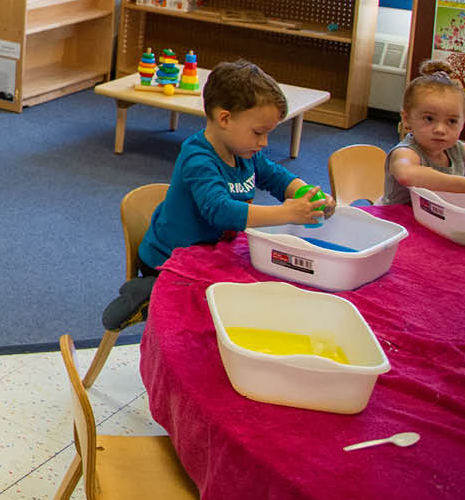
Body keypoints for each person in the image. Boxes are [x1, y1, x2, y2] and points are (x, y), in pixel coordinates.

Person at [101, 60, 332, 330]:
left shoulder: (245, 151)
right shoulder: (198, 158)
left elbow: (276, 177)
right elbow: (220, 211)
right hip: (170, 259)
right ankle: (147, 292)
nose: (264, 143)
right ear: (225, 119)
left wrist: (309, 195)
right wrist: (289, 213)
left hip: (214, 251)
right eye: (259, 132)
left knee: (263, 288)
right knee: (225, 308)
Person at [379, 59, 465, 206]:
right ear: (406, 119)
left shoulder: (457, 149)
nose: (440, 129)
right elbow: (406, 174)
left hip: (439, 219)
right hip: (398, 221)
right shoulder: (406, 152)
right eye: (429, 119)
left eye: (452, 121)